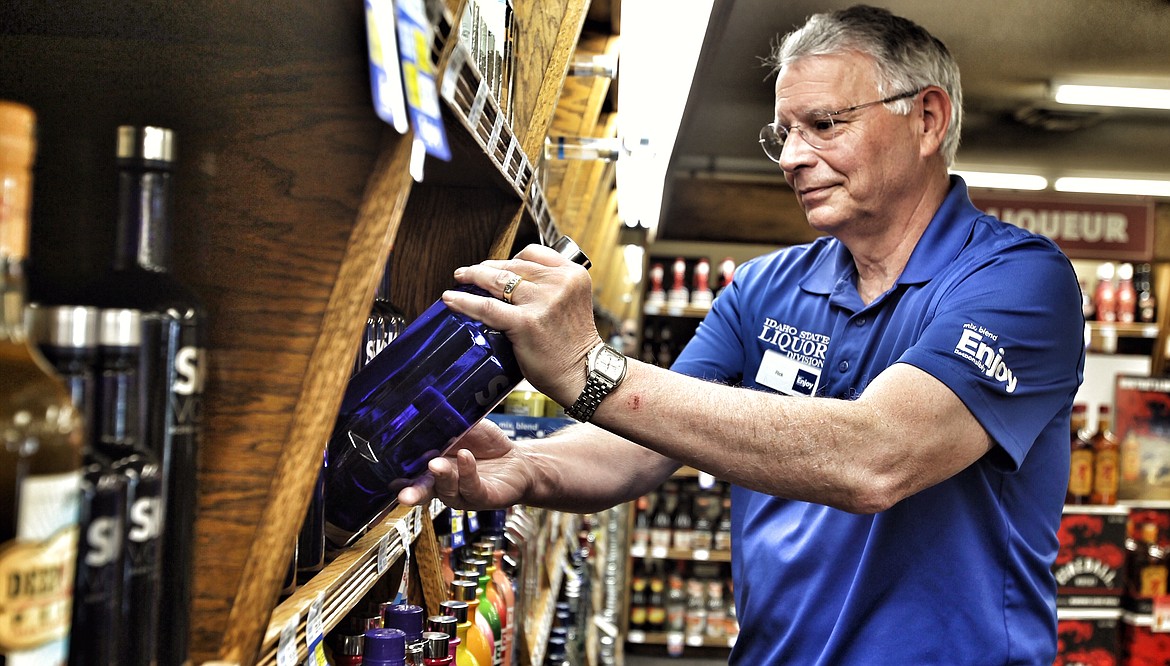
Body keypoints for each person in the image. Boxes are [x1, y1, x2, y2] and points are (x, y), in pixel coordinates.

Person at [400, 5, 1085, 664]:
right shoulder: (767, 288)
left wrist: (590, 367)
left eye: (822, 124)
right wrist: (529, 466)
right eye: (782, 132)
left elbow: (879, 456)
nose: (790, 157)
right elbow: (640, 447)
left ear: (927, 118)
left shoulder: (1019, 284)